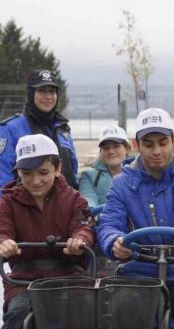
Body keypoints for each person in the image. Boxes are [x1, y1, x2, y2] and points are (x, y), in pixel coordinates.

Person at [96, 108, 174, 329]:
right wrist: (114, 241)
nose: (157, 151)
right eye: (149, 144)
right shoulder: (121, 183)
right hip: (137, 275)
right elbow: (108, 224)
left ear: (173, 141)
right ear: (136, 145)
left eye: (163, 143)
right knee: (108, 302)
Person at [0, 134, 93, 329]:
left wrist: (79, 240)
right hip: (23, 281)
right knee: (19, 314)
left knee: (87, 311)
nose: (35, 181)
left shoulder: (74, 199)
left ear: (57, 168)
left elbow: (82, 226)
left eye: (43, 172)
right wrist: (4, 242)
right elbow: (3, 230)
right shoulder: (7, 202)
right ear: (18, 173)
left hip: (70, 276)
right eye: (26, 174)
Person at [0, 70, 78, 191]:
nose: (48, 96)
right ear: (30, 94)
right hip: (26, 208)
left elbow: (72, 174)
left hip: (65, 206)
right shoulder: (10, 129)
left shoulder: (63, 129)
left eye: (52, 91)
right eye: (42, 91)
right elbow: (3, 181)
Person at [78, 125, 130, 208]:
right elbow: (88, 200)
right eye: (105, 148)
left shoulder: (140, 173)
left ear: (127, 149)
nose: (111, 151)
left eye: (116, 146)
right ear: (100, 152)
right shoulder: (88, 176)